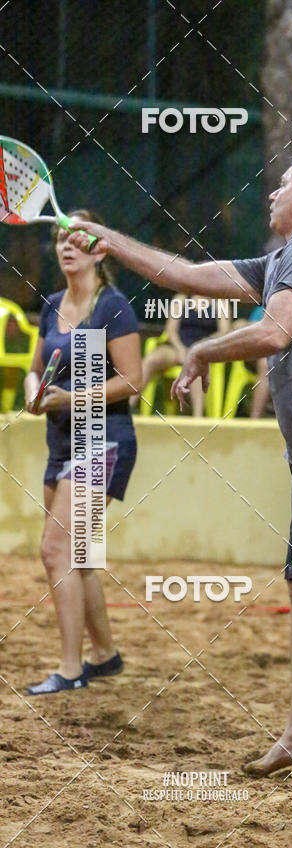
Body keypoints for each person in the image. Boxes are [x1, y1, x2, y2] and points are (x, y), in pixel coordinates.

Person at [67, 157, 292, 801]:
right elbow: (186, 275)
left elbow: (275, 333)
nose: (271, 193)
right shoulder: (285, 260)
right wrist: (109, 240)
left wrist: (201, 351)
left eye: (282, 184)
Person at [24, 210, 141, 695]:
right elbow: (35, 370)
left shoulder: (111, 306)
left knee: (56, 550)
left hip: (103, 438)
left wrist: (69, 398)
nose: (66, 246)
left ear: (99, 250)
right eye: (60, 238)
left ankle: (70, 670)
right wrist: (33, 391)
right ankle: (105, 655)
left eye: (77, 239)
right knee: (81, 555)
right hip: (61, 442)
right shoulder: (53, 304)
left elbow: (131, 381)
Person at [133, 293, 228, 416]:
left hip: (203, 351)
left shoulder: (220, 302)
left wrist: (201, 345)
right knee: (151, 359)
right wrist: (180, 349)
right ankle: (127, 406)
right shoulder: (181, 299)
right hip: (178, 348)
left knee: (196, 365)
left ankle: (198, 419)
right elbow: (171, 331)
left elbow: (224, 332)